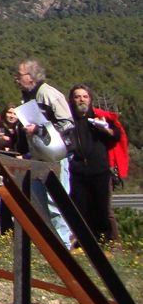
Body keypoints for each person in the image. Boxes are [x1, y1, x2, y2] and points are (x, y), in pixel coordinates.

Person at [14, 59, 74, 245]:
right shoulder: (27, 97)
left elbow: (67, 124)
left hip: (55, 155)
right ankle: (46, 243)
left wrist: (39, 130)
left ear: (31, 77)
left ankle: (62, 243)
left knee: (56, 201)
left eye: (19, 75)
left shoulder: (49, 95)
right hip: (37, 156)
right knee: (38, 201)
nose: (16, 79)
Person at [67, 84, 121, 241]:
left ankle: (108, 243)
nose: (81, 100)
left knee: (102, 211)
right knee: (80, 210)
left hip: (99, 172)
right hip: (77, 172)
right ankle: (84, 243)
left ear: (90, 99)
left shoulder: (99, 117)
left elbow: (116, 135)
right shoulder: (68, 119)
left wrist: (106, 130)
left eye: (84, 96)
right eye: (77, 97)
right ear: (71, 100)